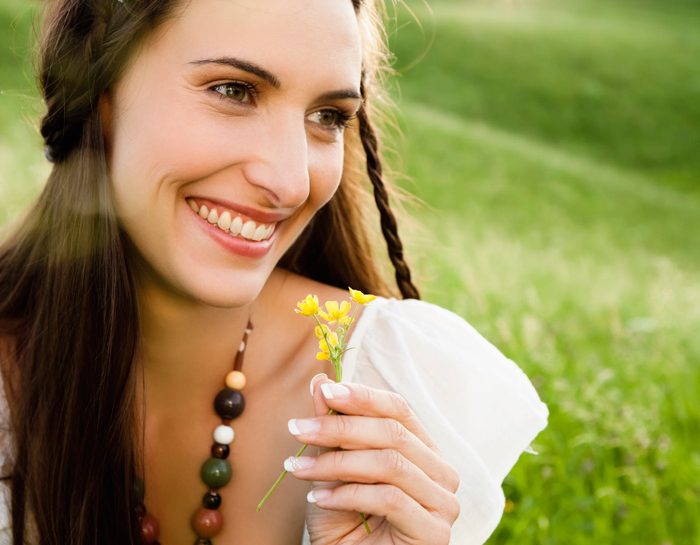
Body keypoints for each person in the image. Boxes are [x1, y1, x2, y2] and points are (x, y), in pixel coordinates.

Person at [0, 0, 548, 544]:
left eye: (328, 117)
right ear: (97, 92)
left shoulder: (394, 388)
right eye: (234, 91)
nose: (290, 182)